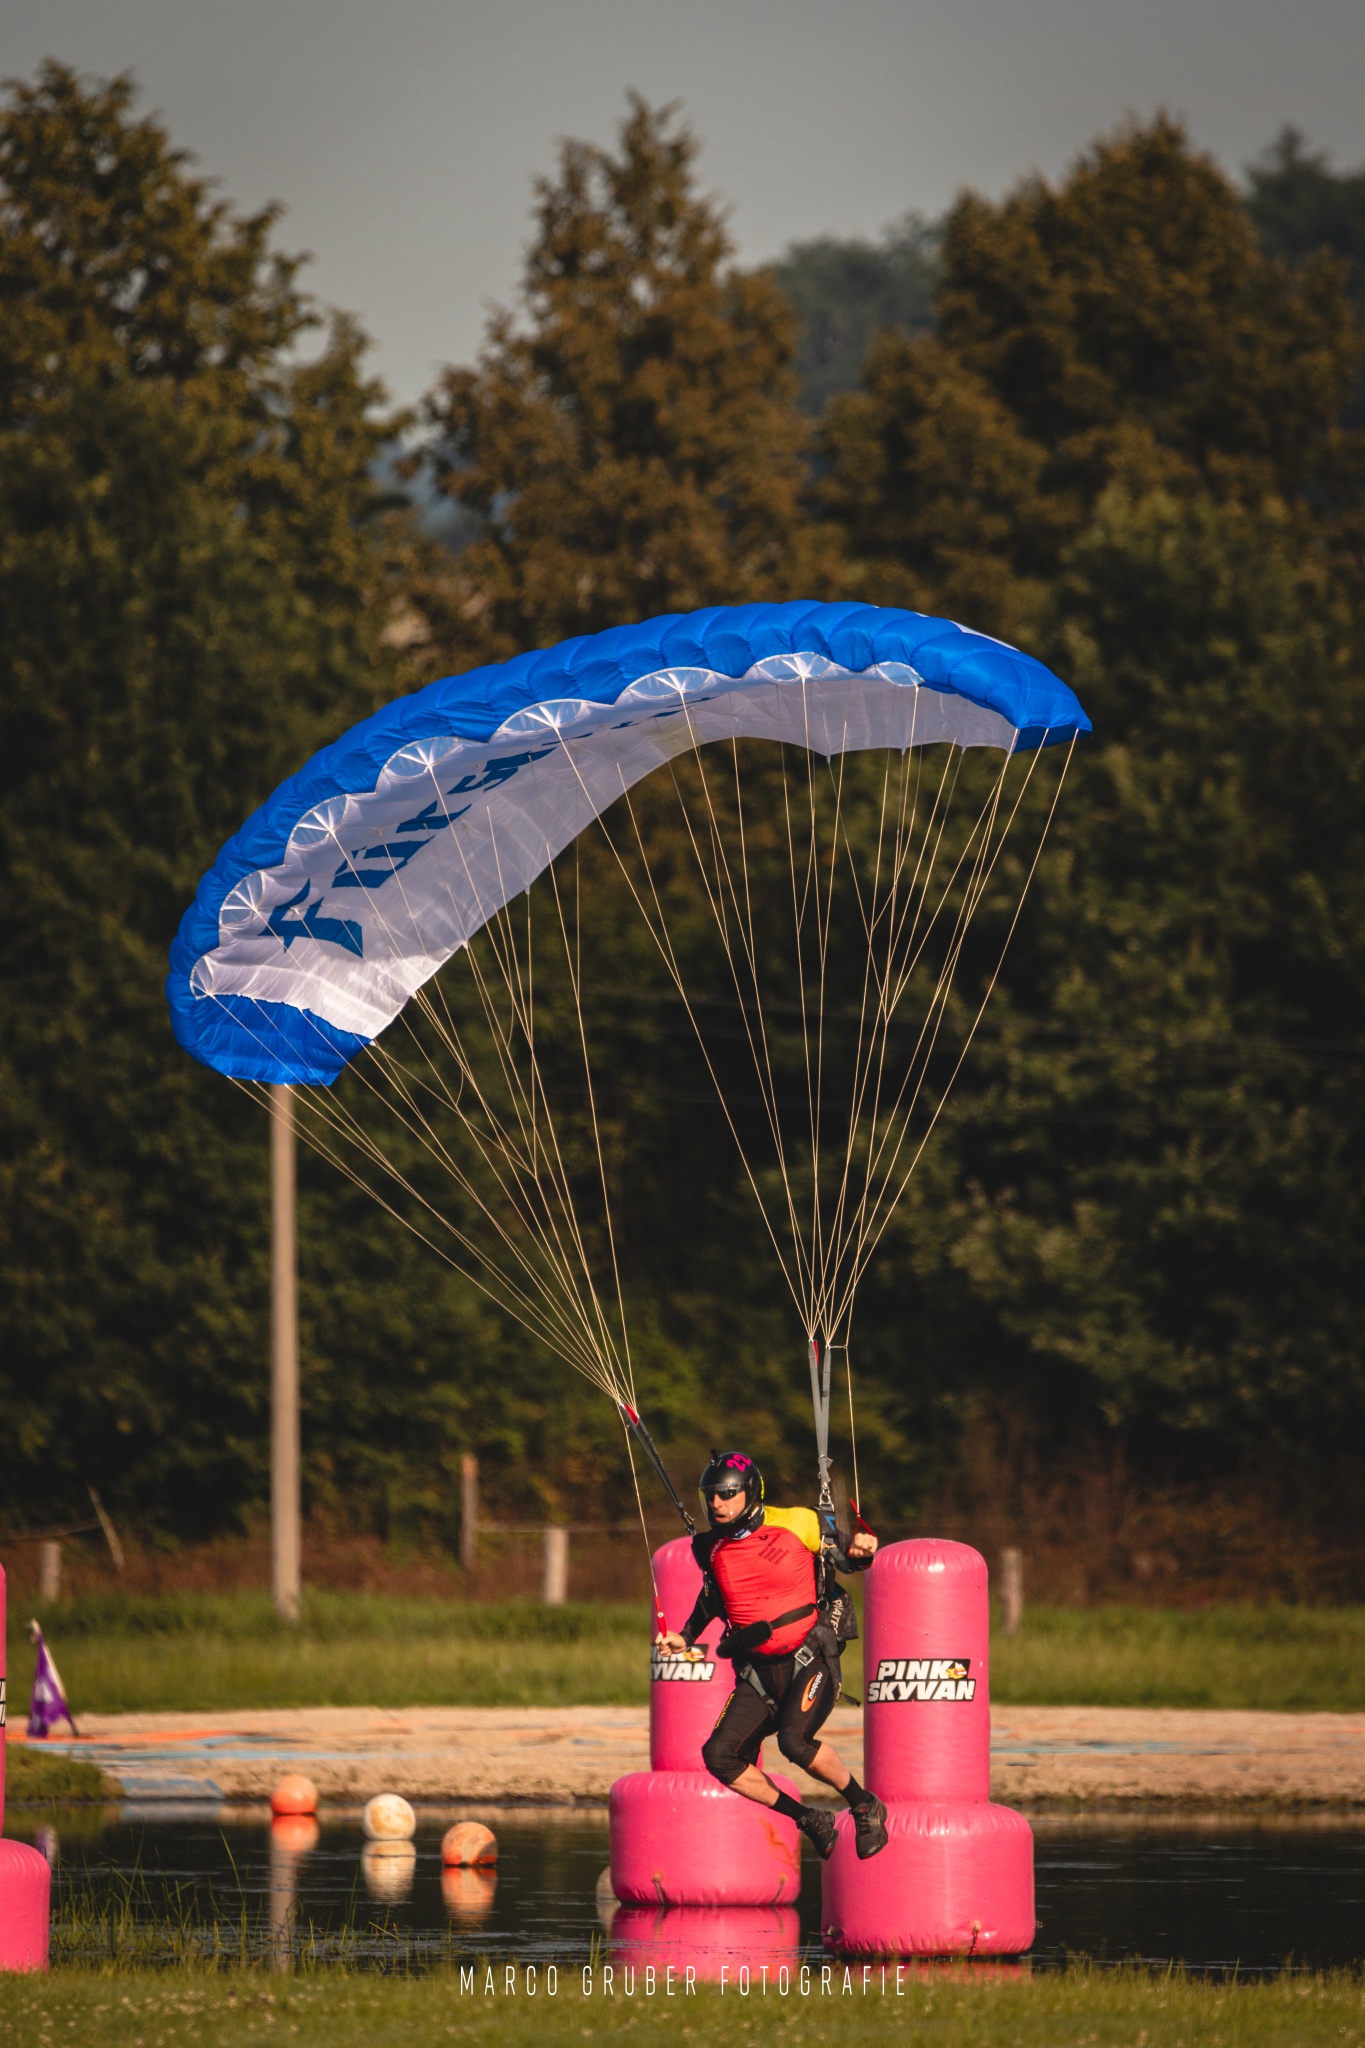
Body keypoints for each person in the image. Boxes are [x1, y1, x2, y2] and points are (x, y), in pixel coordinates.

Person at [656, 1449, 889, 1861]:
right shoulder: (709, 1547)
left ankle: (864, 1804)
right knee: (719, 1756)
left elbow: (846, 1558)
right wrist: (686, 1636)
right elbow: (711, 1598)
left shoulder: (799, 1521)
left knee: (794, 1743)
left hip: (810, 1659)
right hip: (758, 1674)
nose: (717, 1504)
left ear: (750, 1492)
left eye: (727, 1494)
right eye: (711, 1496)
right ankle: (808, 1818)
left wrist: (862, 1550)